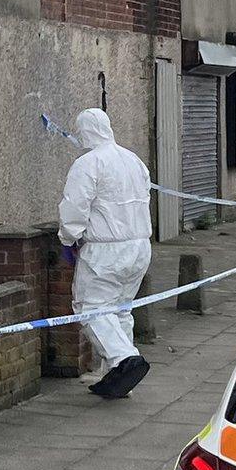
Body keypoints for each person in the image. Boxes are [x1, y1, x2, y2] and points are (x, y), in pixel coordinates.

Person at [59, 108, 152, 399]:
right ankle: (117, 375)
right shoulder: (133, 160)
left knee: (92, 307)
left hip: (105, 249)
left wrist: (67, 238)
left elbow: (75, 207)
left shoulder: (88, 163)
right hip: (139, 246)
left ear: (84, 131)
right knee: (120, 308)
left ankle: (124, 359)